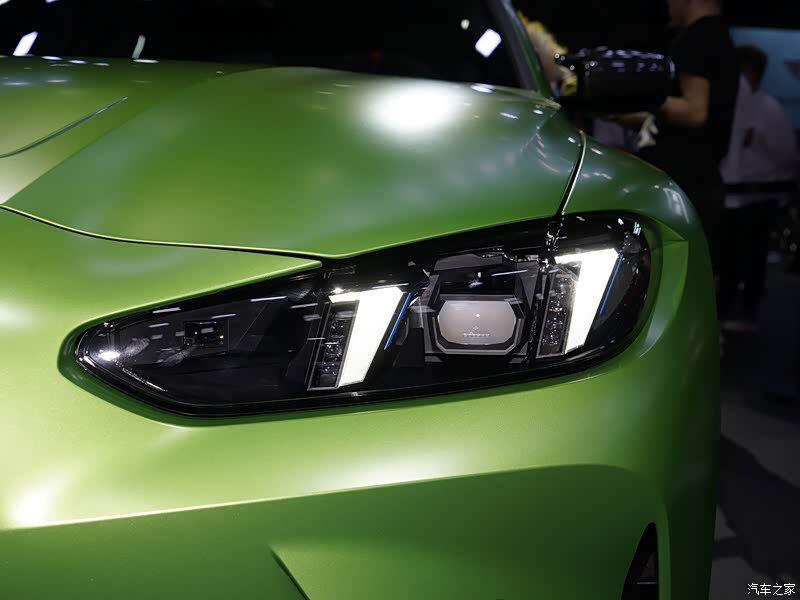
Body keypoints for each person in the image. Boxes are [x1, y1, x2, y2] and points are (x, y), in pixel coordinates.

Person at [635, 0, 739, 256]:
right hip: (702, 180)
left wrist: (640, 94)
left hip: (683, 186)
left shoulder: (696, 39)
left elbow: (695, 112)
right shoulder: (721, 37)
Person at [718, 45, 800, 330]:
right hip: (730, 194)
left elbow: (786, 154)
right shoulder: (729, 104)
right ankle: (725, 308)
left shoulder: (768, 108)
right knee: (729, 256)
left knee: (753, 255)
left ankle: (747, 310)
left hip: (759, 195)